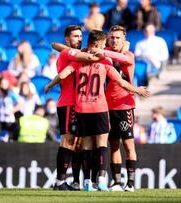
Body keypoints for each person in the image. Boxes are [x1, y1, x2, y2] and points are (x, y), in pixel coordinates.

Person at [45, 30, 150, 192]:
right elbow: (121, 82)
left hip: (81, 107)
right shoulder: (104, 61)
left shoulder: (78, 60)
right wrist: (137, 89)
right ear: (100, 45)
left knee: (84, 145)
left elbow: (63, 72)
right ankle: (99, 181)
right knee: (100, 145)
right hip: (100, 107)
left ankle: (86, 182)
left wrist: (50, 85)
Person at [45, 25, 105, 191]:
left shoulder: (73, 52)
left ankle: (73, 181)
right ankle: (59, 182)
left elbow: (54, 45)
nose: (79, 39)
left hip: (79, 104)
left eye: (80, 36)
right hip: (69, 103)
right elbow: (91, 58)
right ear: (67, 39)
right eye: (75, 36)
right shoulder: (70, 53)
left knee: (77, 143)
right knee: (68, 141)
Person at [103, 25, 137, 192]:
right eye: (112, 37)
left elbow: (126, 60)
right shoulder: (106, 54)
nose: (114, 40)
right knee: (113, 145)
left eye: (118, 38)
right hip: (107, 107)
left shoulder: (129, 55)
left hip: (125, 105)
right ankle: (116, 182)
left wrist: (105, 51)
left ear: (124, 40)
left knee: (128, 145)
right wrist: (104, 50)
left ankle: (130, 183)